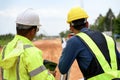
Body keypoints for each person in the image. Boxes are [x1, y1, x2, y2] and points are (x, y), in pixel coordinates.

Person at [58, 6, 120, 80]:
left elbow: (62, 69)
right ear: (87, 24)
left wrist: (66, 46)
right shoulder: (108, 38)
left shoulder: (74, 41)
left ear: (71, 27)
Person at [0, 8, 55, 80]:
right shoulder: (32, 52)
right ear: (33, 31)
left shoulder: (5, 49)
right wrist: (50, 76)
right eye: (37, 30)